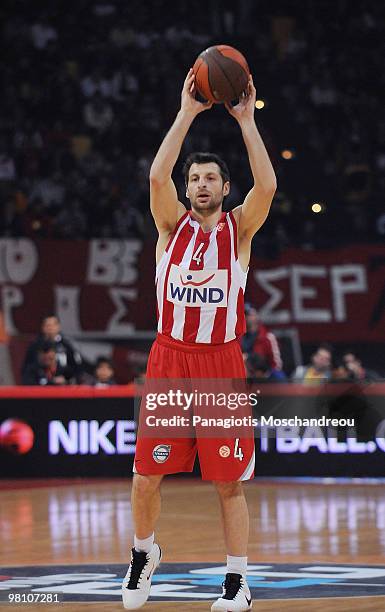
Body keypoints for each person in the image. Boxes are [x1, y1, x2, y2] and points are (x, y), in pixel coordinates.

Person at [121, 69, 276, 612]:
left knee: (228, 483)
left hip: (219, 362)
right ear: (189, 190)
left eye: (212, 177)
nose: (203, 184)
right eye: (197, 179)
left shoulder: (240, 231)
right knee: (146, 475)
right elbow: (156, 178)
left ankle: (237, 582)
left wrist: (246, 122)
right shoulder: (170, 226)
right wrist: (187, 113)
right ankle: (144, 554)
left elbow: (270, 187)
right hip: (169, 359)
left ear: (225, 188)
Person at [21, 314, 83, 383]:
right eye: (47, 325)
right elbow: (27, 368)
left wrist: (66, 379)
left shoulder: (66, 346)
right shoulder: (35, 346)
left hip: (63, 387)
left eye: (53, 325)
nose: (50, 328)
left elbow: (77, 369)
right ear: (42, 327)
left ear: (59, 326)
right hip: (39, 386)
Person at [241, 303, 283, 372]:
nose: (246, 317)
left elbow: (276, 365)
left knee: (279, 377)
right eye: (244, 314)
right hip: (244, 373)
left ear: (256, 316)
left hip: (264, 375)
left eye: (249, 314)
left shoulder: (268, 337)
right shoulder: (237, 337)